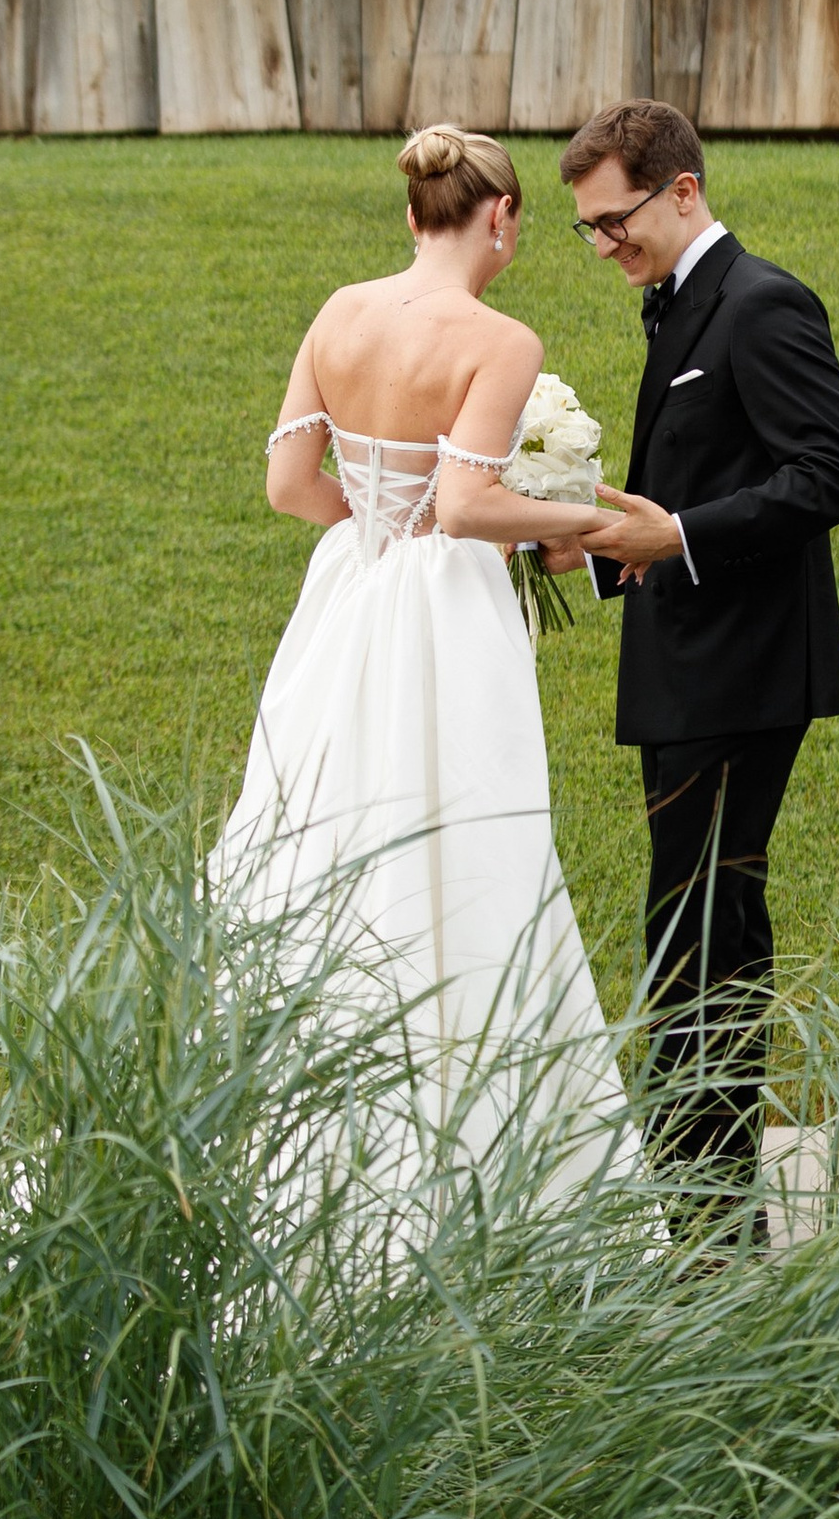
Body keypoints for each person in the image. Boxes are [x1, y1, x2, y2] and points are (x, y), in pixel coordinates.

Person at [224, 122, 631, 1202]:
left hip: (348, 599)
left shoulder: (338, 313)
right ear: (500, 218)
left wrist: (370, 533)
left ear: (413, 215)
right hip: (445, 613)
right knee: (470, 838)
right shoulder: (499, 341)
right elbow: (465, 506)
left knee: (317, 830)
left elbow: (286, 484)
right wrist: (575, 517)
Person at [543, 98, 839, 1246]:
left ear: (682, 190)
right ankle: (705, 1221)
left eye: (612, 219)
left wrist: (673, 536)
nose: (602, 245)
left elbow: (833, 475)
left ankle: (710, 1234)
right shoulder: (678, 308)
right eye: (586, 228)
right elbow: (667, 486)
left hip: (740, 678)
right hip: (687, 671)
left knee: (700, 941)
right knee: (695, 935)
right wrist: (584, 543)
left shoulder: (761, 303)